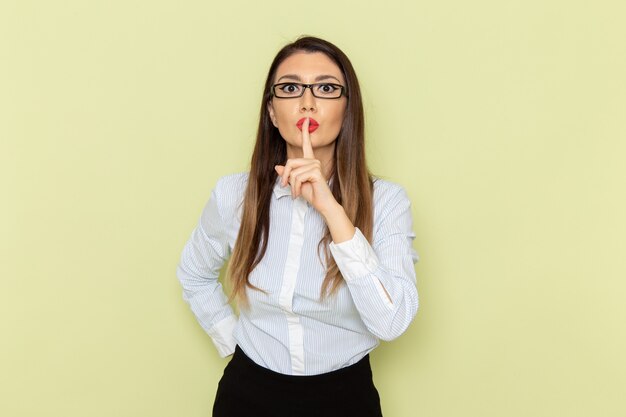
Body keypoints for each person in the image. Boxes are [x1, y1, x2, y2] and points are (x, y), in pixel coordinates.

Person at [176, 36, 419, 417]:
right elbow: (193, 274)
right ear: (272, 112)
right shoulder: (234, 195)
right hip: (248, 394)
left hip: (345, 398)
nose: (307, 102)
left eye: (325, 88)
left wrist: (331, 209)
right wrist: (233, 340)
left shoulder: (387, 201)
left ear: (347, 110)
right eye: (290, 88)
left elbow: (392, 321)